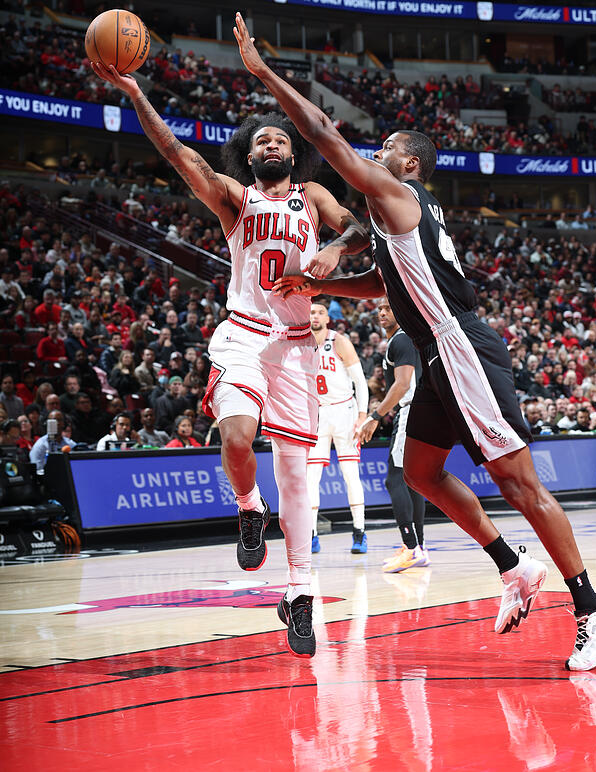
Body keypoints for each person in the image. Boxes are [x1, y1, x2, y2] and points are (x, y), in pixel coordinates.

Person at [234, 13, 596, 672]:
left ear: (407, 162)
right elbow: (383, 285)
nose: (372, 155)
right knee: (423, 472)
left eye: (385, 148)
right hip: (436, 352)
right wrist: (323, 289)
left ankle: (592, 610)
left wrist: (265, 74)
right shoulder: (399, 219)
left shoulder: (399, 191)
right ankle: (513, 567)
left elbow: (323, 136)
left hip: (460, 347)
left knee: (519, 486)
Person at [92, 57, 369, 658]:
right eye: (262, 139)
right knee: (238, 439)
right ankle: (247, 506)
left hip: (298, 348)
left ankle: (299, 591)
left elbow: (359, 230)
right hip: (244, 335)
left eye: (282, 138)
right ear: (248, 154)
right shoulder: (234, 200)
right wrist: (136, 92)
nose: (273, 142)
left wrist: (333, 251)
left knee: (298, 477)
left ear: (293, 155)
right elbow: (176, 154)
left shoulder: (313, 195)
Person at [363, 297, 429, 572]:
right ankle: (417, 548)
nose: (382, 313)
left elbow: (402, 385)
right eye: (379, 309)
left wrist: (375, 417)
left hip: (410, 411)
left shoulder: (400, 340)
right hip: (421, 411)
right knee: (412, 481)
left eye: (388, 308)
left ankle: (411, 547)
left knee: (394, 480)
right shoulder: (408, 338)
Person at [307, 301, 369, 554]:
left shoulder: (339, 341)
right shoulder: (301, 343)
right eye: (312, 312)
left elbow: (360, 381)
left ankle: (359, 532)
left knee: (350, 474)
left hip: (344, 411)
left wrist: (363, 415)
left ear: (327, 318)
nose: (316, 316)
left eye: (320, 312)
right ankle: (310, 534)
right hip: (318, 413)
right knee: (311, 478)